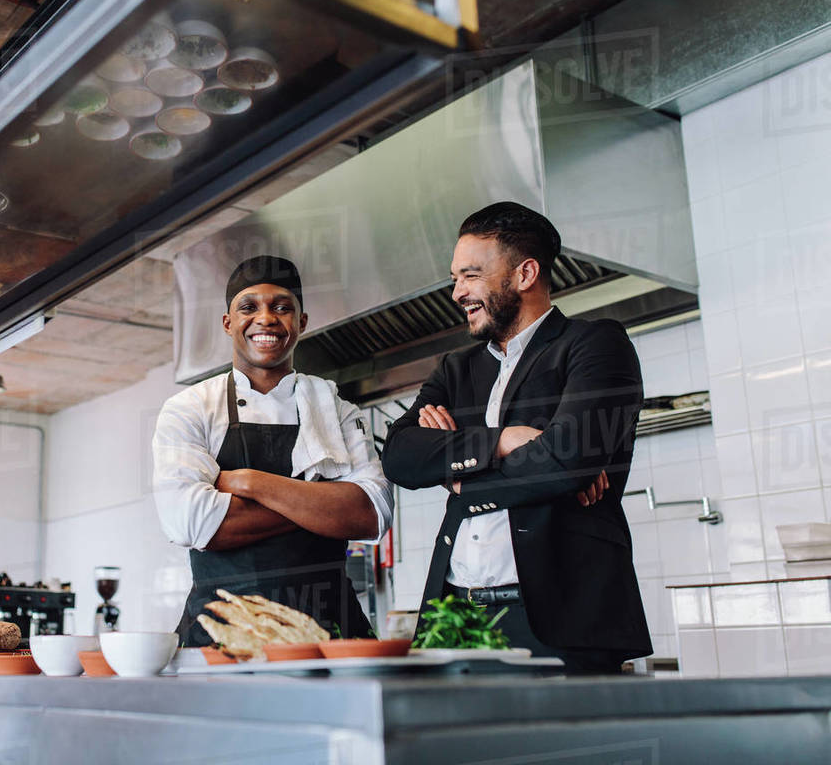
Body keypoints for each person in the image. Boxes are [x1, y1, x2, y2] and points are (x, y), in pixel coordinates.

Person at [381, 202, 651, 674]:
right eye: (454, 279)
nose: (457, 293)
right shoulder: (457, 369)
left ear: (525, 274)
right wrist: (501, 442)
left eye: (470, 276)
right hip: (457, 613)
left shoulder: (594, 344)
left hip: (559, 618)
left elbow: (567, 459)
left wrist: (460, 479)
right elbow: (401, 457)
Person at [153, 255, 393, 645]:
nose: (266, 318)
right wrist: (323, 503)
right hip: (222, 632)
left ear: (301, 322)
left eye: (282, 307)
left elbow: (371, 514)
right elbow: (191, 524)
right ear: (228, 323)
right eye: (249, 307)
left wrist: (249, 482)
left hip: (329, 629)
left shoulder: (338, 409)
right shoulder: (190, 408)